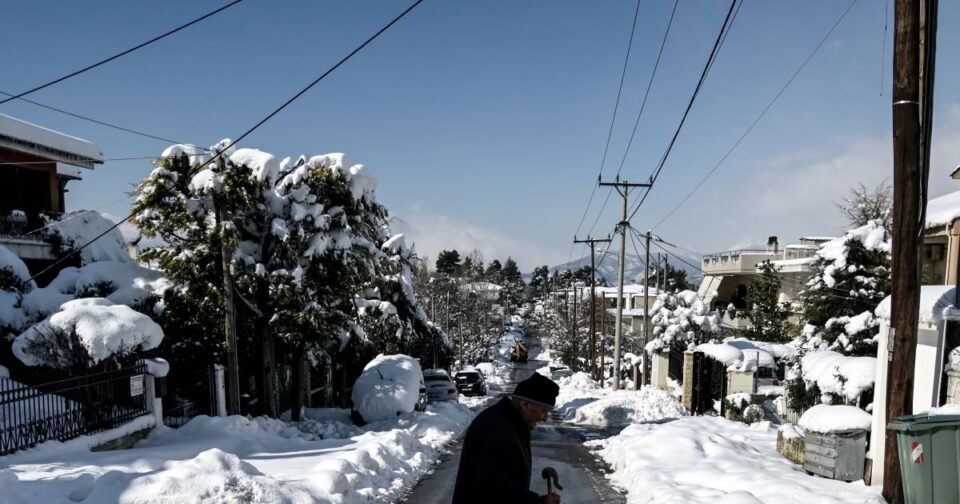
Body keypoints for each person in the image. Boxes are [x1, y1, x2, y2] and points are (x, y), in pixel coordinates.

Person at [451, 373, 561, 504]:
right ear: (525, 404)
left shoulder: (509, 424)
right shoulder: (497, 429)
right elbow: (495, 489)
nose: (545, 417)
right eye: (544, 410)